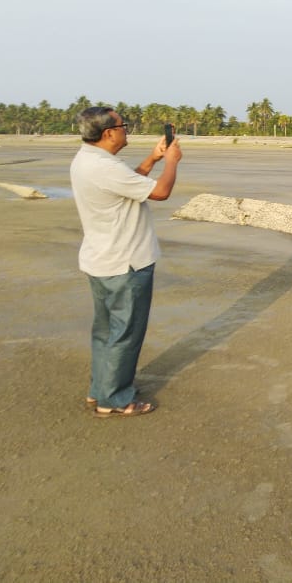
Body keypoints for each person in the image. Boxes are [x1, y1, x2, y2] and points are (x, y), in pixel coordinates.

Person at [70, 107, 182, 417]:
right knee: (126, 333)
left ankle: (101, 389)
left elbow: (127, 185)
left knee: (106, 332)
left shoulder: (89, 160)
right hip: (126, 263)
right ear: (108, 133)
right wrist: (172, 161)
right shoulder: (105, 167)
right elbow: (160, 192)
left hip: (102, 261)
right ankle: (115, 399)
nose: (126, 130)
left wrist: (153, 159)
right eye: (123, 126)